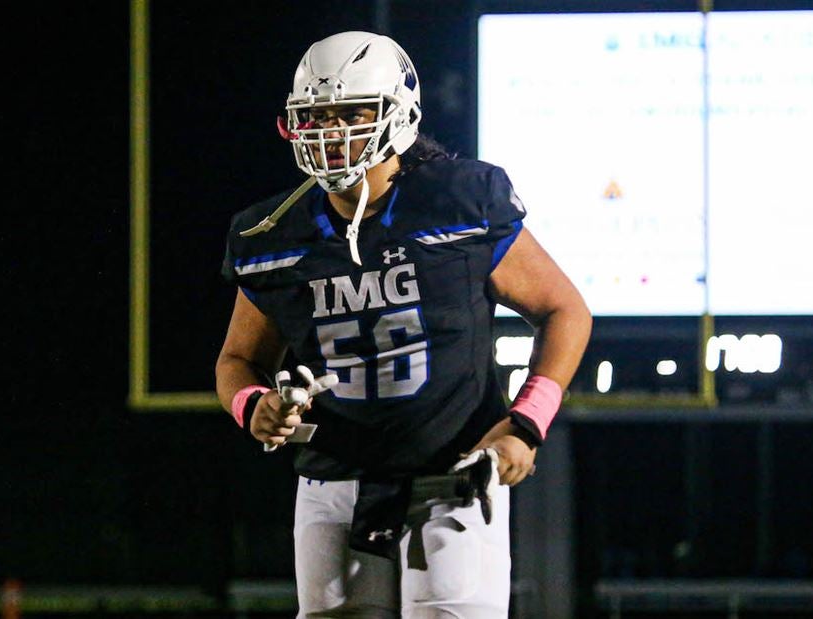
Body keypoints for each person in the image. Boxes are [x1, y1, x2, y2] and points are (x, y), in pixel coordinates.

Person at [215, 31, 592, 618]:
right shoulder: (270, 235)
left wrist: (526, 424)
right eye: (316, 116)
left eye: (352, 113)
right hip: (333, 482)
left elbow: (564, 309)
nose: (332, 133)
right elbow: (238, 362)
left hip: (454, 476)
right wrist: (253, 404)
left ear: (399, 112)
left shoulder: (461, 200)